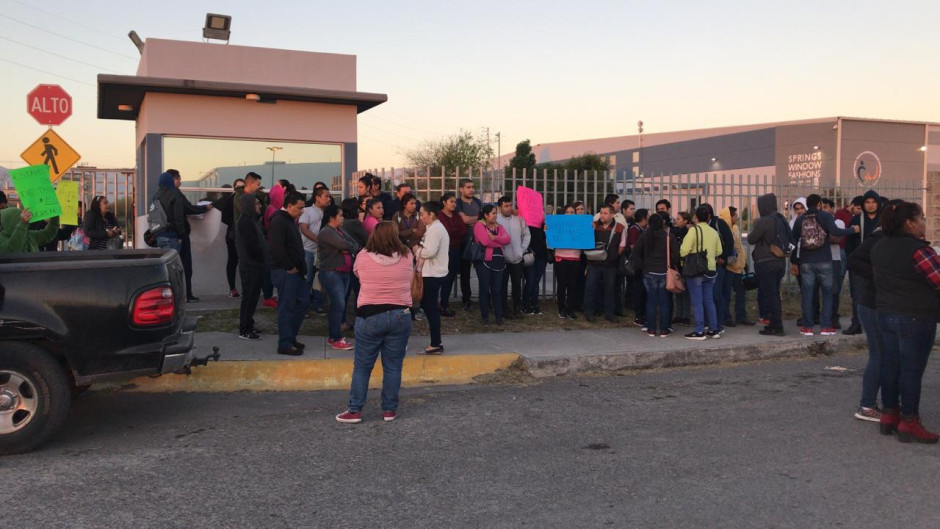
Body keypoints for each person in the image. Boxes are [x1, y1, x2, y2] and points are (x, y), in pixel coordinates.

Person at [870, 201, 940, 443]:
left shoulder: (879, 247)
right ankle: (909, 420)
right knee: (911, 370)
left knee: (891, 365)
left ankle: (890, 414)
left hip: (886, 313)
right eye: (921, 218)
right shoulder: (919, 251)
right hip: (915, 316)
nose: (924, 223)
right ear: (910, 223)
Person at [335, 222, 415, 424]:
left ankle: (355, 410)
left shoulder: (363, 256)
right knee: (393, 366)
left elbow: (357, 275)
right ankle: (389, 410)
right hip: (400, 314)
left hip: (370, 315)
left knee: (362, 366)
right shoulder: (407, 256)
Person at [845, 200, 903, 422]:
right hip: (871, 305)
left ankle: (888, 404)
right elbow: (854, 260)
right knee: (879, 355)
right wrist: (878, 274)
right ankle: (867, 405)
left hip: (884, 305)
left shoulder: (897, 239)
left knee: (888, 355)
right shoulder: (879, 237)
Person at [790, 194, 858, 336]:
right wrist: (852, 230)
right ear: (819, 204)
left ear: (807, 205)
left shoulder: (801, 219)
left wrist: (793, 260)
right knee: (827, 293)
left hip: (806, 262)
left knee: (807, 295)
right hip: (824, 260)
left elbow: (793, 240)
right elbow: (836, 232)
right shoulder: (825, 216)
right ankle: (826, 326)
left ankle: (807, 327)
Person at [267, 193, 310, 356]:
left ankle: (290, 337)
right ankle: (284, 343)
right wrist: (289, 266)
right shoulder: (279, 221)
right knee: (287, 307)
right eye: (299, 208)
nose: (302, 211)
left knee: (303, 302)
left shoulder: (288, 220)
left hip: (295, 271)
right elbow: (276, 247)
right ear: (290, 206)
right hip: (285, 271)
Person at [747, 193, 790, 336]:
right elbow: (791, 239)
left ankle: (777, 326)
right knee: (775, 294)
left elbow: (752, 239)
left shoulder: (763, 221)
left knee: (770, 294)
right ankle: (774, 323)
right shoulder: (781, 219)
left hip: (766, 262)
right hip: (780, 261)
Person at [632, 211, 679, 337]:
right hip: (664, 272)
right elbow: (676, 256)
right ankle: (664, 329)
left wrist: (643, 266)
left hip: (648, 272)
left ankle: (651, 328)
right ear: (662, 223)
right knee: (664, 301)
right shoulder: (669, 237)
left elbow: (635, 253)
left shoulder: (644, 236)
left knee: (651, 301)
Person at [319, 204, 357, 351]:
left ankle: (334, 336)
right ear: (332, 217)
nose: (342, 218)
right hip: (331, 273)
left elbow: (353, 243)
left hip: (344, 272)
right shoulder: (326, 232)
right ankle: (335, 337)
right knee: (338, 304)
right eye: (340, 215)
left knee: (340, 304)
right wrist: (347, 247)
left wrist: (347, 246)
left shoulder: (339, 230)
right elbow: (344, 245)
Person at [681, 206, 723, 340]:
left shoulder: (693, 231)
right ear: (709, 217)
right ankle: (713, 329)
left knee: (697, 301)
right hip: (711, 270)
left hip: (696, 270)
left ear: (696, 218)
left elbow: (683, 251)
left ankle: (699, 331)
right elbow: (719, 252)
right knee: (709, 300)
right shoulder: (713, 232)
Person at [845, 190, 882, 335]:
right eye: (867, 202)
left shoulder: (883, 220)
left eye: (874, 202)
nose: (871, 205)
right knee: (858, 296)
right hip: (860, 265)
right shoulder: (856, 220)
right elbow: (849, 243)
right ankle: (857, 324)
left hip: (879, 265)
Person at [415, 201, 449, 354]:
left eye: (422, 214)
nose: (420, 217)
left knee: (431, 309)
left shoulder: (435, 229)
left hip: (433, 274)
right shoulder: (433, 228)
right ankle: (436, 342)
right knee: (429, 308)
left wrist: (417, 250)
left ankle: (436, 343)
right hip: (432, 273)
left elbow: (429, 252)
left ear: (432, 214)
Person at [234, 193, 269, 341]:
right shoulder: (245, 222)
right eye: (256, 204)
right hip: (251, 266)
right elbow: (252, 246)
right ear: (249, 205)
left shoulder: (252, 220)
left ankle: (249, 324)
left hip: (256, 265)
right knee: (249, 298)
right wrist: (261, 258)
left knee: (253, 298)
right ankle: (245, 329)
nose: (259, 206)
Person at [584, 205, 626, 323]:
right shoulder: (593, 225)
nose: (602, 215)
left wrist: (614, 256)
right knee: (590, 288)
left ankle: (609, 314)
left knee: (610, 289)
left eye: (605, 213)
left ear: (612, 215)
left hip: (610, 264)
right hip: (593, 263)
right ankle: (589, 312)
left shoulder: (620, 227)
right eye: (601, 213)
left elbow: (622, 244)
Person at [473, 204, 511, 325]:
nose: (495, 216)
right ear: (486, 215)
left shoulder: (499, 227)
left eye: (496, 213)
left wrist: (494, 238)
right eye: (493, 213)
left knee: (497, 290)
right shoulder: (479, 225)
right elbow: (485, 241)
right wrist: (499, 241)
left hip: (498, 262)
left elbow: (508, 240)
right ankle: (485, 317)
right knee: (484, 290)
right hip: (484, 262)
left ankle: (499, 317)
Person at [496, 196, 531, 319]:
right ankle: (504, 309)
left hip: (517, 258)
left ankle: (517, 308)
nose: (509, 208)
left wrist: (521, 250)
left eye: (510, 205)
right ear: (500, 207)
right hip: (502, 259)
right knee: (502, 285)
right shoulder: (496, 220)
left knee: (517, 284)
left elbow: (527, 235)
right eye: (506, 206)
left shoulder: (519, 219)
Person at [701, 203, 734, 333]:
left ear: (708, 214)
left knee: (716, 295)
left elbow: (729, 241)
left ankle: (718, 323)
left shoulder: (718, 224)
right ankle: (707, 322)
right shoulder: (701, 225)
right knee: (706, 295)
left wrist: (723, 257)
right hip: (705, 264)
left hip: (718, 264)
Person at [719, 206, 753, 326]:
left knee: (741, 293)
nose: (737, 217)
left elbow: (739, 247)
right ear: (729, 216)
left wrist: (744, 263)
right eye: (735, 215)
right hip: (728, 267)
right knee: (726, 294)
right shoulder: (723, 229)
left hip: (738, 266)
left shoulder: (735, 228)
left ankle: (741, 316)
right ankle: (726, 317)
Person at [299, 187, 331, 314]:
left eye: (329, 196)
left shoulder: (329, 212)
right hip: (308, 250)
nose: (329, 199)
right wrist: (319, 240)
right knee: (307, 279)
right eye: (326, 196)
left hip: (322, 252)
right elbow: (304, 229)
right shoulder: (307, 211)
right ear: (317, 198)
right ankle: (304, 306)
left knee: (320, 279)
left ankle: (317, 304)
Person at [437, 192, 466, 317]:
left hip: (456, 249)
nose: (454, 204)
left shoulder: (456, 215)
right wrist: (455, 231)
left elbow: (463, 230)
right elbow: (446, 231)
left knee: (451, 277)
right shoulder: (440, 216)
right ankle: (441, 304)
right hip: (444, 251)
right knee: (444, 278)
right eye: (451, 201)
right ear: (444, 203)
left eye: (455, 202)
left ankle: (445, 303)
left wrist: (454, 232)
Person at [456, 179, 483, 310]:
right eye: (468, 187)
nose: (471, 190)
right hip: (463, 242)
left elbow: (482, 218)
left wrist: (473, 220)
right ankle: (467, 299)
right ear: (461, 189)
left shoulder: (478, 202)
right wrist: (474, 219)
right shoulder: (458, 203)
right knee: (465, 273)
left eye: (472, 187)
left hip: (478, 241)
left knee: (482, 270)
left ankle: (485, 297)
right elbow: (464, 220)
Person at [553, 204, 582, 319]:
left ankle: (570, 309)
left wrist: (590, 228)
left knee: (572, 285)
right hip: (561, 257)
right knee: (562, 284)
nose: (570, 214)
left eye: (572, 212)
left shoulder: (580, 225)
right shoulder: (558, 225)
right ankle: (561, 309)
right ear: (563, 213)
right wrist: (547, 230)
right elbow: (551, 238)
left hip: (575, 257)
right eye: (568, 212)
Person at [216, 179, 244, 298]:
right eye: (238, 187)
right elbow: (224, 217)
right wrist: (234, 224)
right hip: (233, 234)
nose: (240, 189)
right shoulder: (229, 200)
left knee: (244, 262)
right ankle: (232, 288)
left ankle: (245, 287)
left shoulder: (248, 200)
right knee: (233, 260)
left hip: (243, 235)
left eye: (242, 186)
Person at [522, 205, 550, 315]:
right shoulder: (527, 224)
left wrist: (546, 230)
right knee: (530, 281)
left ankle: (534, 304)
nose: (542, 214)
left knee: (536, 282)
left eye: (542, 212)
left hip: (541, 256)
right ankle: (526, 305)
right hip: (530, 256)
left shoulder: (545, 226)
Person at [627, 208, 649, 325]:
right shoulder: (634, 230)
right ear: (643, 218)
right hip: (638, 264)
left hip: (644, 264)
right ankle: (638, 314)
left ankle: (643, 313)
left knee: (644, 290)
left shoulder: (645, 229)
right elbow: (633, 247)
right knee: (638, 289)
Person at [672, 211, 692, 325]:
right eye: (676, 218)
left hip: (686, 264)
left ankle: (686, 315)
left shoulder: (689, 232)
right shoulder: (675, 231)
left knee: (685, 290)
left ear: (685, 221)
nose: (676, 220)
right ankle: (679, 314)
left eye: (679, 219)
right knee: (677, 289)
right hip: (677, 264)